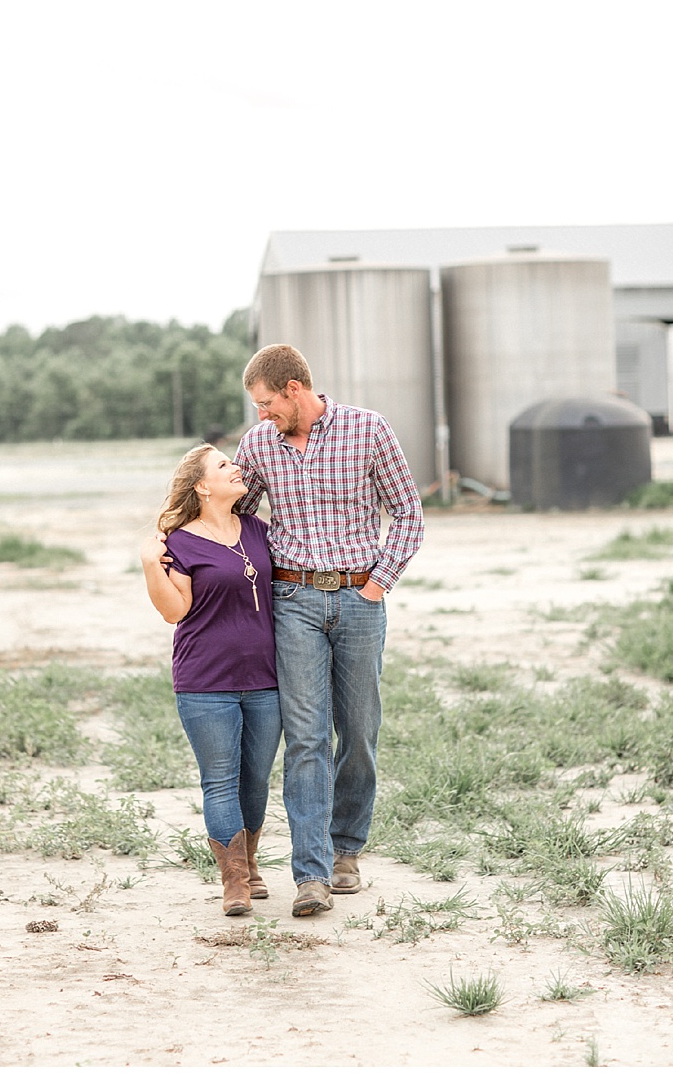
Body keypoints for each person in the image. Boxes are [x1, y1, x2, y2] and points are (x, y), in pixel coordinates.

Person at [233, 344, 424, 917]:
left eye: (267, 403)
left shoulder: (369, 430)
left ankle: (347, 850)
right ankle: (310, 874)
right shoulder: (257, 444)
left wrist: (377, 583)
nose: (261, 414)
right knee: (307, 736)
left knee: (359, 729)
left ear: (294, 389)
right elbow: (235, 515)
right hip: (292, 601)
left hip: (360, 598)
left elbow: (408, 514)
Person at [140, 444, 281, 917]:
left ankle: (252, 862)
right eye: (224, 465)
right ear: (202, 486)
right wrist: (147, 563)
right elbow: (173, 611)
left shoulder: (258, 531)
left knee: (256, 781)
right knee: (221, 781)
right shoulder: (177, 543)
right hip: (205, 682)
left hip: (265, 679)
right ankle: (234, 883)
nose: (237, 467)